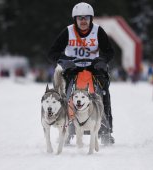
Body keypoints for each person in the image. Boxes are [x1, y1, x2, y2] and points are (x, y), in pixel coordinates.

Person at [47, 2, 115, 143]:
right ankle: (65, 128)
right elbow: (52, 53)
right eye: (80, 18)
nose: (83, 21)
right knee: (65, 96)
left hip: (94, 69)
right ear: (75, 19)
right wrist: (64, 60)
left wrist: (102, 60)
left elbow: (109, 51)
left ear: (91, 19)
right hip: (73, 70)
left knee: (103, 94)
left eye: (86, 18)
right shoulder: (68, 31)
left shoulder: (98, 31)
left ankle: (106, 130)